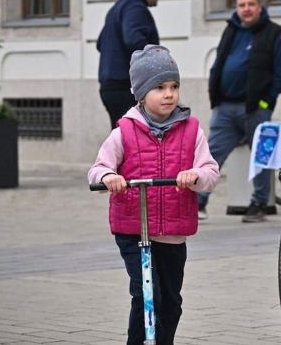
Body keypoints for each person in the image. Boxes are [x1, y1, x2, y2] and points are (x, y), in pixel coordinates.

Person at [88, 45, 219, 345]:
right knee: (146, 293)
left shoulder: (191, 131)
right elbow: (97, 169)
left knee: (171, 301)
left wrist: (195, 176)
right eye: (159, 87)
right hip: (134, 230)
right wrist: (110, 177)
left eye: (174, 86)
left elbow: (211, 173)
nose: (169, 94)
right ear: (141, 93)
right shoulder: (124, 131)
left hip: (172, 235)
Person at [197, 0, 281, 223]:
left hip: (255, 109)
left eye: (250, 4)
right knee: (212, 155)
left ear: (260, 7)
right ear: (237, 9)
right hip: (225, 107)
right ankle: (198, 203)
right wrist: (214, 94)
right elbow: (219, 63)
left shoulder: (274, 33)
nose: (246, 9)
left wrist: (264, 102)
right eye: (241, 5)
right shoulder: (231, 30)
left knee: (261, 156)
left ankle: (258, 204)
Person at [97, 0, 167, 128]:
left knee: (124, 140)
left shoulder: (118, 7)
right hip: (126, 87)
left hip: (110, 87)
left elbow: (101, 43)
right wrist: (159, 62)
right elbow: (134, 41)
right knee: (135, 142)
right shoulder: (136, 8)